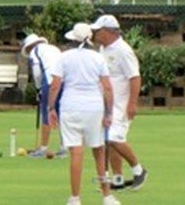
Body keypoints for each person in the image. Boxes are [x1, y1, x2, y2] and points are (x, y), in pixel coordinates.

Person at [48, 23, 120, 205]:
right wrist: (109, 112)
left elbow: (55, 85)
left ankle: (75, 198)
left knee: (76, 152)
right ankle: (107, 196)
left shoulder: (63, 57)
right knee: (99, 150)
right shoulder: (98, 58)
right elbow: (108, 88)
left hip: (70, 107)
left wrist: (51, 108)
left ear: (72, 39)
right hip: (93, 108)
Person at [90, 15, 148, 191]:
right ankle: (118, 179)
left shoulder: (123, 50)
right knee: (109, 141)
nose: (95, 34)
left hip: (121, 105)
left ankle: (139, 170)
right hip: (107, 104)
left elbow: (135, 77)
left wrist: (132, 104)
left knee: (114, 138)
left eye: (98, 31)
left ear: (109, 32)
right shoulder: (103, 49)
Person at [21, 33, 67, 158]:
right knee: (60, 113)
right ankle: (64, 148)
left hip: (50, 81)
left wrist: (38, 88)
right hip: (64, 81)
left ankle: (43, 148)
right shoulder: (54, 48)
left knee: (47, 113)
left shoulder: (34, 51)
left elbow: (36, 72)